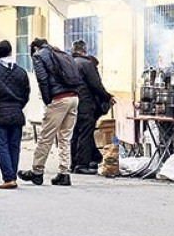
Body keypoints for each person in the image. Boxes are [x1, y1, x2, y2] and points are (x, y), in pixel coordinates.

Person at [18, 38, 80, 186]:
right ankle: (64, 173)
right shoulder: (61, 53)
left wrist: (48, 101)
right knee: (65, 137)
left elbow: (42, 80)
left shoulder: (38, 55)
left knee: (46, 136)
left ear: (35, 48)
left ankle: (37, 171)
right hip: (73, 97)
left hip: (59, 99)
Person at [0, 40, 31, 190]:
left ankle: (8, 178)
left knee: (2, 147)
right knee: (14, 147)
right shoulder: (21, 72)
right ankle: (12, 176)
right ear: (10, 52)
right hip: (16, 114)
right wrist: (18, 106)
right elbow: (25, 94)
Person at [70, 40, 113, 174]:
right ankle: (82, 164)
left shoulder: (68, 63)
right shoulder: (87, 64)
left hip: (71, 102)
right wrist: (107, 97)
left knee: (75, 133)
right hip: (85, 103)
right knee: (85, 133)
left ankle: (73, 163)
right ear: (84, 50)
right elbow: (96, 85)